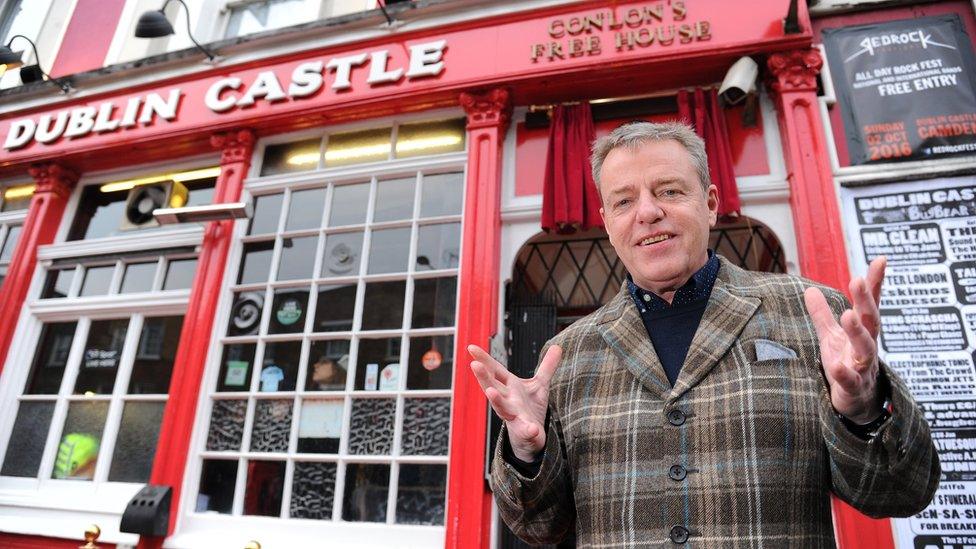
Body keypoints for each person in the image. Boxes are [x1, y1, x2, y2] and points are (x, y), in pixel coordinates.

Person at [468, 122, 939, 547]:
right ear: (609, 223)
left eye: (669, 191)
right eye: (624, 201)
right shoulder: (567, 353)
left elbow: (901, 492)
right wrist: (527, 453)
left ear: (711, 203)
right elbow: (538, 527)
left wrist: (862, 411)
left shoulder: (811, 313)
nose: (647, 213)